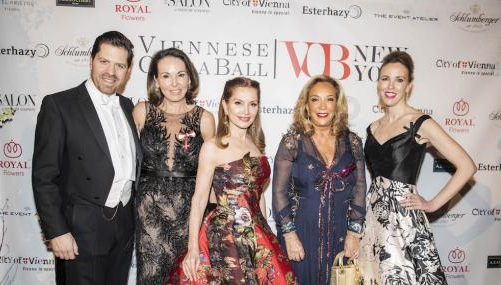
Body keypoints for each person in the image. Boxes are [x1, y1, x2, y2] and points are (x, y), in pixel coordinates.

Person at [32, 31, 141, 285]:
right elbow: (44, 177)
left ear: (128, 70)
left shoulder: (128, 106)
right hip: (80, 230)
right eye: (104, 61)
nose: (111, 71)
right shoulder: (59, 105)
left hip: (123, 228)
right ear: (91, 60)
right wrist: (57, 231)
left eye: (120, 65)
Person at [358, 51, 477, 285]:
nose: (391, 85)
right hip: (374, 220)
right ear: (378, 82)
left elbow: (467, 166)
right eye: (385, 78)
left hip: (404, 222)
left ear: (409, 86)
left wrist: (432, 204)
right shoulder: (372, 128)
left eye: (399, 80)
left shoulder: (421, 123)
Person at [167, 77, 296, 284]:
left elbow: (258, 195)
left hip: (256, 234)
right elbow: (199, 200)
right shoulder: (213, 147)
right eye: (238, 103)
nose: (246, 111)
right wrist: (193, 249)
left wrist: (267, 234)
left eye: (252, 104)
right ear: (225, 106)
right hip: (225, 237)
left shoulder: (256, 146)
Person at [272, 75, 367, 284]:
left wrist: (355, 232)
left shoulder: (352, 142)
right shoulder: (292, 142)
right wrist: (289, 235)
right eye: (315, 99)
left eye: (329, 99)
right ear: (306, 105)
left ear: (338, 104)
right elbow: (279, 192)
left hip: (341, 233)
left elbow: (360, 187)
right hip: (302, 233)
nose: (322, 106)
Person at [132, 47, 215, 284]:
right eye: (166, 76)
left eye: (180, 75)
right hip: (148, 212)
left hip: (189, 213)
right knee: (151, 277)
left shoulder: (204, 119)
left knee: (187, 278)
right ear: (156, 81)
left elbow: (211, 174)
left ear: (189, 78)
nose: (174, 83)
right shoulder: (142, 112)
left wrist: (213, 217)